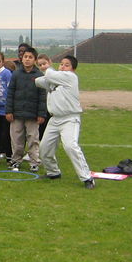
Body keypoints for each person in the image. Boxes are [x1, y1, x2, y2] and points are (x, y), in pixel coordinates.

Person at [35, 55, 95, 189]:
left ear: (73, 69)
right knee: (44, 148)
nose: (62, 66)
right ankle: (53, 172)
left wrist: (47, 67)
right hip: (55, 119)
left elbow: (48, 75)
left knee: (70, 146)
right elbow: (39, 81)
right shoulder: (54, 78)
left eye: (66, 65)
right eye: (61, 64)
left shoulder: (71, 77)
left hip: (70, 118)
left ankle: (87, 178)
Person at [5, 46, 46, 172]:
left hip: (33, 114)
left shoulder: (39, 75)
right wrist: (9, 111)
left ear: (34, 60)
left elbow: (42, 96)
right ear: (22, 59)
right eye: (25, 57)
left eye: (30, 57)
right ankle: (16, 160)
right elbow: (10, 93)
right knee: (17, 139)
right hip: (17, 113)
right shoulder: (16, 74)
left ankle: (34, 162)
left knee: (33, 139)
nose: (27, 59)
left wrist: (41, 114)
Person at [35, 54, 52, 140]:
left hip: (52, 108)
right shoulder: (40, 76)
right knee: (41, 131)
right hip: (43, 108)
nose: (42, 66)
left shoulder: (56, 76)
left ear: (49, 62)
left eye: (44, 64)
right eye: (40, 65)